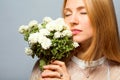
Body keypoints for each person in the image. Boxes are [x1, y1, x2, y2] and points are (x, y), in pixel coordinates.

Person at [30, 0, 120, 80]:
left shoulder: (117, 73)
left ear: (104, 18)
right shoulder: (49, 66)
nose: (72, 20)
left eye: (83, 12)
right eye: (67, 14)